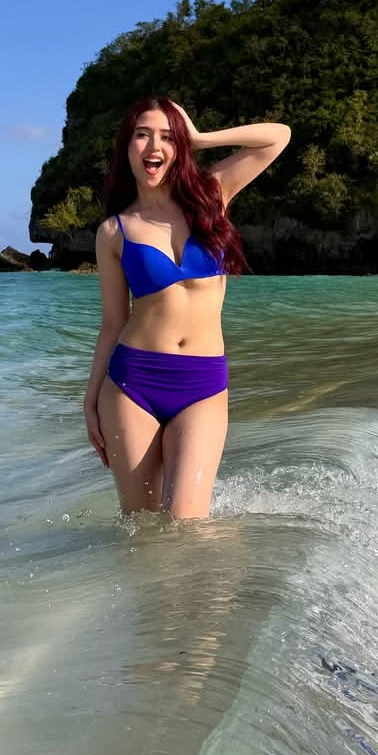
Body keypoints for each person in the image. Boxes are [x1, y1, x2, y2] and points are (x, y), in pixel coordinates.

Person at [83, 97, 290, 519]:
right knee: (141, 526)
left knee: (187, 524)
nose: (153, 146)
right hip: (131, 384)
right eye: (142, 135)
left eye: (166, 136)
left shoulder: (212, 195)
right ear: (126, 147)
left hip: (203, 384)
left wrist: (199, 136)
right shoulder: (114, 231)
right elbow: (113, 323)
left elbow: (278, 137)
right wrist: (89, 401)